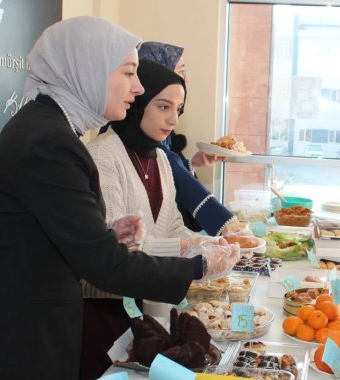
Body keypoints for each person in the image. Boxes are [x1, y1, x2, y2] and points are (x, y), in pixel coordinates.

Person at [0, 16, 238, 380]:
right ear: (87, 69)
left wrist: (107, 234)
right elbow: (103, 265)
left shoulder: (50, 129)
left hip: (23, 333)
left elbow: (49, 239)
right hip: (10, 343)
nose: (139, 87)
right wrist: (197, 266)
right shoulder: (49, 141)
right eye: (129, 73)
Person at [81, 60, 237, 379]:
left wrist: (203, 243)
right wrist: (187, 248)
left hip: (140, 305)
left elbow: (171, 227)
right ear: (138, 102)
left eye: (178, 109)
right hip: (101, 310)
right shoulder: (103, 156)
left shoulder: (162, 159)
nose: (172, 119)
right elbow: (118, 250)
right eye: (163, 106)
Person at [137, 41, 236, 235]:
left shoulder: (150, 126)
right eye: (181, 71)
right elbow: (171, 167)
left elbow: (169, 171)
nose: (187, 79)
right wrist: (228, 226)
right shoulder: (122, 136)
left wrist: (192, 163)